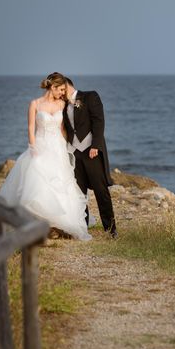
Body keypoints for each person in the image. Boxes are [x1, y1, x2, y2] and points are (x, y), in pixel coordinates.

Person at [0, 73, 91, 240]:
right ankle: (41, 224)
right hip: (41, 146)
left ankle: (62, 224)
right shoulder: (35, 104)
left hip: (57, 147)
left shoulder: (62, 104)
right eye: (61, 89)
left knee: (61, 182)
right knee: (38, 183)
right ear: (53, 87)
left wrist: (68, 147)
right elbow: (30, 127)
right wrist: (33, 147)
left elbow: (63, 129)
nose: (63, 93)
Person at [62, 76, 117, 237]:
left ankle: (111, 229)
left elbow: (99, 122)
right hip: (74, 153)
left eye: (60, 89)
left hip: (91, 151)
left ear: (66, 86)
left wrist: (96, 146)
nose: (59, 93)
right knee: (79, 192)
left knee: (101, 191)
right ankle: (82, 226)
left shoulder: (90, 96)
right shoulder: (62, 105)